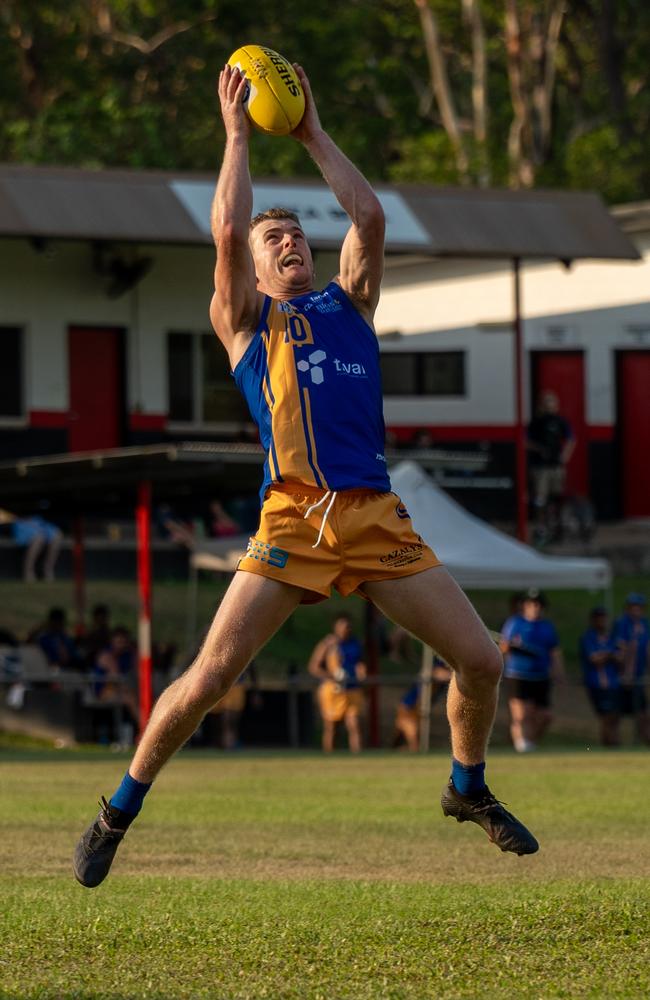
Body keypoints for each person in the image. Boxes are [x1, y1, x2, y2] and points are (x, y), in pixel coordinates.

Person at [73, 59, 538, 890]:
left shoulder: (348, 304)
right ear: (251, 271)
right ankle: (118, 809)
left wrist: (312, 130)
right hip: (294, 519)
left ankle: (466, 790)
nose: (287, 243)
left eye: (295, 236)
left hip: (376, 518)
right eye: (272, 239)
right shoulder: (248, 322)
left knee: (483, 660)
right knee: (211, 677)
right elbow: (225, 231)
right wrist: (237, 135)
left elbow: (367, 213)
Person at [501, 589, 564, 752]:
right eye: (531, 604)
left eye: (538, 604)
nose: (534, 607)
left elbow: (554, 652)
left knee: (545, 716)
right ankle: (522, 746)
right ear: (525, 606)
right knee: (521, 716)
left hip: (540, 676)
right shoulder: (514, 623)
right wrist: (512, 647)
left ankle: (529, 744)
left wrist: (558, 673)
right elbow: (504, 647)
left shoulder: (547, 627)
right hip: (518, 675)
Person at [308, 614, 366, 752]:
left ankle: (358, 758)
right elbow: (314, 667)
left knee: (354, 723)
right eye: (344, 626)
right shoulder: (328, 644)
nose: (347, 629)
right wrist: (333, 676)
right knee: (332, 727)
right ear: (336, 628)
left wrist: (362, 674)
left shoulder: (355, 644)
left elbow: (360, 663)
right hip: (332, 689)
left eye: (349, 626)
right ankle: (330, 757)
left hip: (352, 689)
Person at [527, 391, 574, 539]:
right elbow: (524, 441)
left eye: (552, 403)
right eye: (546, 403)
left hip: (556, 466)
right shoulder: (536, 422)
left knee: (557, 496)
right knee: (540, 498)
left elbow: (571, 439)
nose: (549, 406)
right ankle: (541, 526)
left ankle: (557, 525)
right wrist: (539, 449)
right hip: (540, 467)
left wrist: (565, 455)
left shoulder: (561, 422)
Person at [580, 607, 622, 747]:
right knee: (606, 716)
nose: (601, 621)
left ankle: (613, 744)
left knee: (614, 716)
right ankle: (610, 745)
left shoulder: (612, 637)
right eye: (598, 618)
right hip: (596, 683)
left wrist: (608, 655)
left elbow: (620, 657)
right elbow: (595, 659)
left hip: (613, 683)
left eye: (603, 617)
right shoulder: (588, 637)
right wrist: (610, 655)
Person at [611, 593, 650, 744]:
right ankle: (613, 748)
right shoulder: (622, 624)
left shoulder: (644, 624)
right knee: (615, 715)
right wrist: (627, 672)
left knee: (643, 714)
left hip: (638, 677)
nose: (636, 610)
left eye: (639, 607)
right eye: (633, 607)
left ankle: (645, 746)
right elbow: (623, 650)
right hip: (621, 678)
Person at [10, 513, 62, 582]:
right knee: (38, 538)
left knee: (57, 535)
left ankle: (47, 569)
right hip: (21, 521)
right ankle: (28, 571)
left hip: (39, 521)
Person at [32, 607, 79, 672]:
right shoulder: (43, 639)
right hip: (46, 670)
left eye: (59, 622)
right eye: (55, 622)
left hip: (65, 670)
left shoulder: (66, 639)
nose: (57, 625)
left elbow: (72, 658)